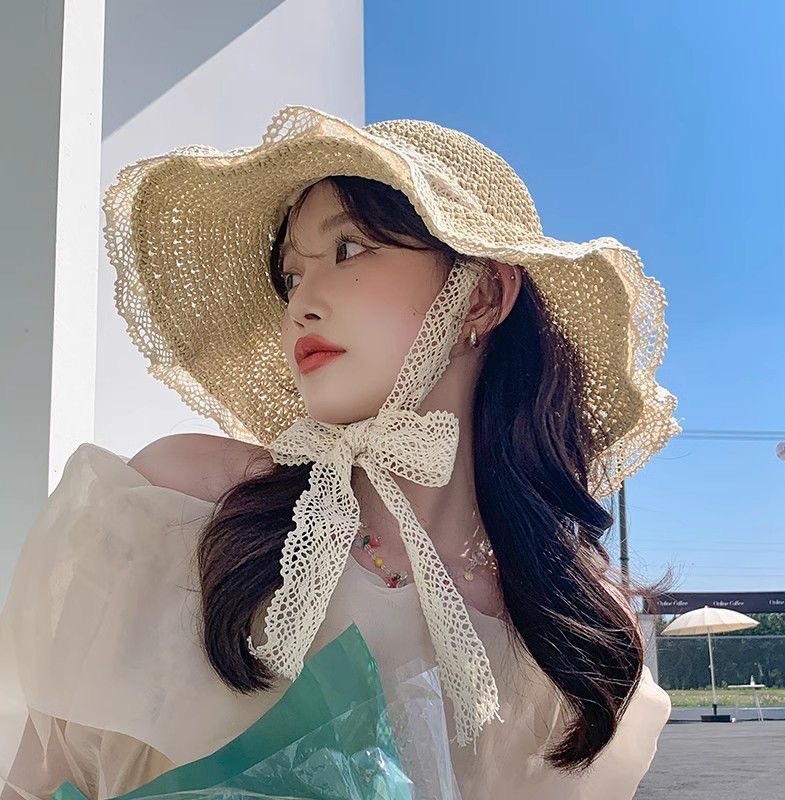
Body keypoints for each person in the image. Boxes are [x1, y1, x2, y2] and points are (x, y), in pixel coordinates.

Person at [0, 104, 680, 799]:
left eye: (348, 249)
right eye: (292, 277)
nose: (301, 304)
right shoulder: (178, 505)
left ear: (481, 295)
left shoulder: (579, 633)